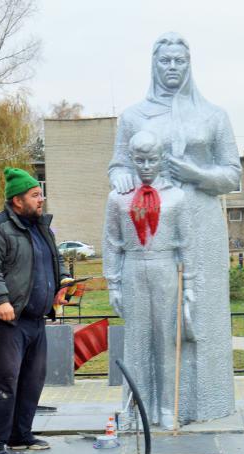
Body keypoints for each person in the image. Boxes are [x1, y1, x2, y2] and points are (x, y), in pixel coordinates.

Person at [108, 32, 241, 424]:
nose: (171, 68)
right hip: (153, 226)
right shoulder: (134, 115)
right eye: (165, 61)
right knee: (152, 324)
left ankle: (204, 403)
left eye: (178, 61)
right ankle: (149, 406)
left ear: (189, 64)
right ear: (154, 64)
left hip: (201, 222)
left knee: (199, 315)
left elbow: (231, 174)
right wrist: (119, 177)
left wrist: (195, 173)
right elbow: (119, 164)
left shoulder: (213, 115)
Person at [0, 167, 71, 454]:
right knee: (5, 380)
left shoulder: (41, 227)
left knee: (32, 379)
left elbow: (56, 259)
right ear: (17, 200)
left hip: (36, 319)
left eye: (41, 194)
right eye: (35, 195)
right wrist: (0, 299)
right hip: (6, 320)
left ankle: (20, 435)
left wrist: (63, 281)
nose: (41, 199)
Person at [103, 130, 193, 429]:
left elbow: (186, 244)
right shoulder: (118, 198)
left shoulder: (176, 197)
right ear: (131, 159)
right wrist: (113, 283)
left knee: (165, 342)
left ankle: (167, 407)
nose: (145, 166)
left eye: (151, 159)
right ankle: (133, 409)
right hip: (132, 268)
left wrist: (189, 285)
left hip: (166, 269)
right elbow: (111, 243)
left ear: (161, 159)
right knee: (136, 344)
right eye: (139, 160)